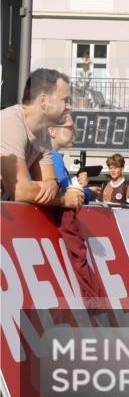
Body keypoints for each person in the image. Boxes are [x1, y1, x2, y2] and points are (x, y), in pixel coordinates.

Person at [0, 68, 79, 207]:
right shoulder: (10, 121)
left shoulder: (42, 132)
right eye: (65, 100)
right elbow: (20, 191)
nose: (69, 106)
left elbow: (50, 186)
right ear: (43, 101)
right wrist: (65, 199)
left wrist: (52, 185)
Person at [46, 117, 104, 299]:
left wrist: (82, 189)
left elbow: (67, 192)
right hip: (56, 218)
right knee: (79, 257)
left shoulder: (53, 156)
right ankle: (94, 300)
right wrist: (85, 192)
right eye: (69, 127)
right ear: (52, 131)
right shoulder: (51, 156)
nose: (74, 132)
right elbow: (65, 194)